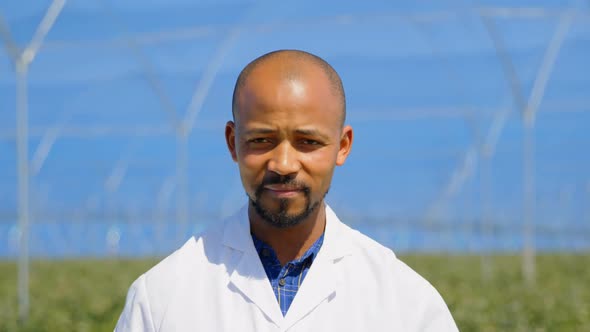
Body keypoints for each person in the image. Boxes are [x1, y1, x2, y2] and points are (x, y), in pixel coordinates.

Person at [115, 49, 458, 331]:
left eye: (308, 142)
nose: (283, 164)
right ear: (233, 143)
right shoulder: (162, 297)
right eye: (261, 140)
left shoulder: (407, 304)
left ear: (342, 145)